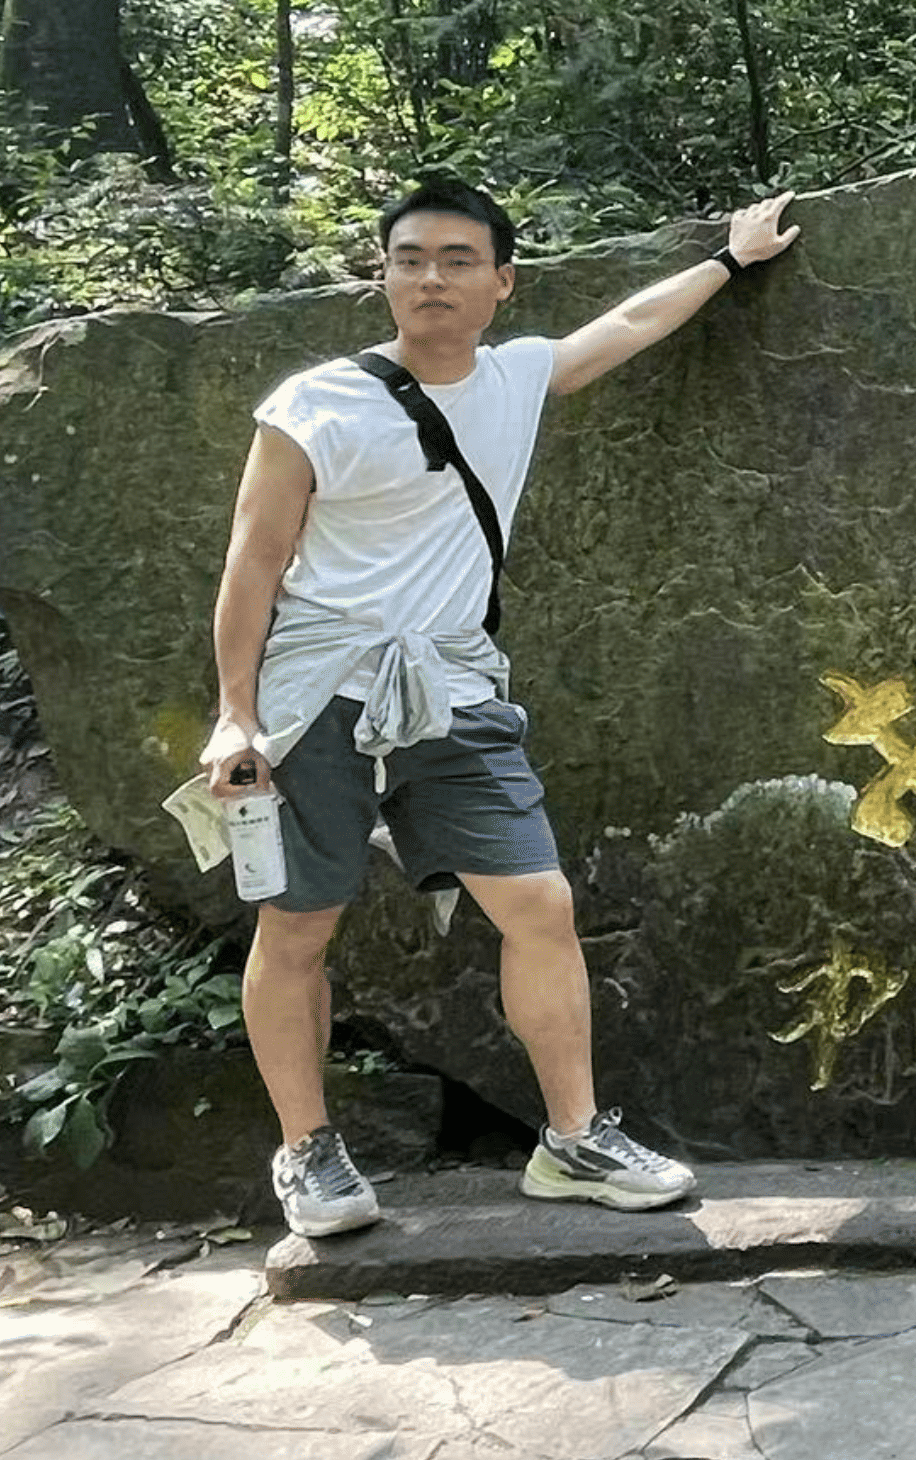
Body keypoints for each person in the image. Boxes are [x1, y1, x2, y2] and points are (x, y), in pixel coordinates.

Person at [197, 179, 800, 1237]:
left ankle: (571, 1137)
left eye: (459, 258)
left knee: (538, 901)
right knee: (297, 921)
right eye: (413, 257)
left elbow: (627, 323)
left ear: (501, 279)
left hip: (455, 684)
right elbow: (253, 559)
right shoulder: (312, 404)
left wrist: (731, 258)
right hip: (317, 687)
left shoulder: (517, 375)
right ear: (382, 274)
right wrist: (233, 711)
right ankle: (307, 1149)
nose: (433, 276)